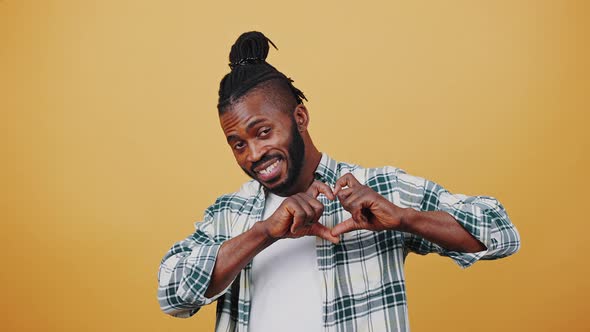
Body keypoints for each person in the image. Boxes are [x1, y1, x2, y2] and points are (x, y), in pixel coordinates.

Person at [156, 31, 520, 332]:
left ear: (300, 117)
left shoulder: (377, 190)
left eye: (263, 132)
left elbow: (501, 232)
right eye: (238, 144)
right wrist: (264, 232)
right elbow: (171, 294)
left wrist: (405, 218)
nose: (252, 155)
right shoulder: (229, 214)